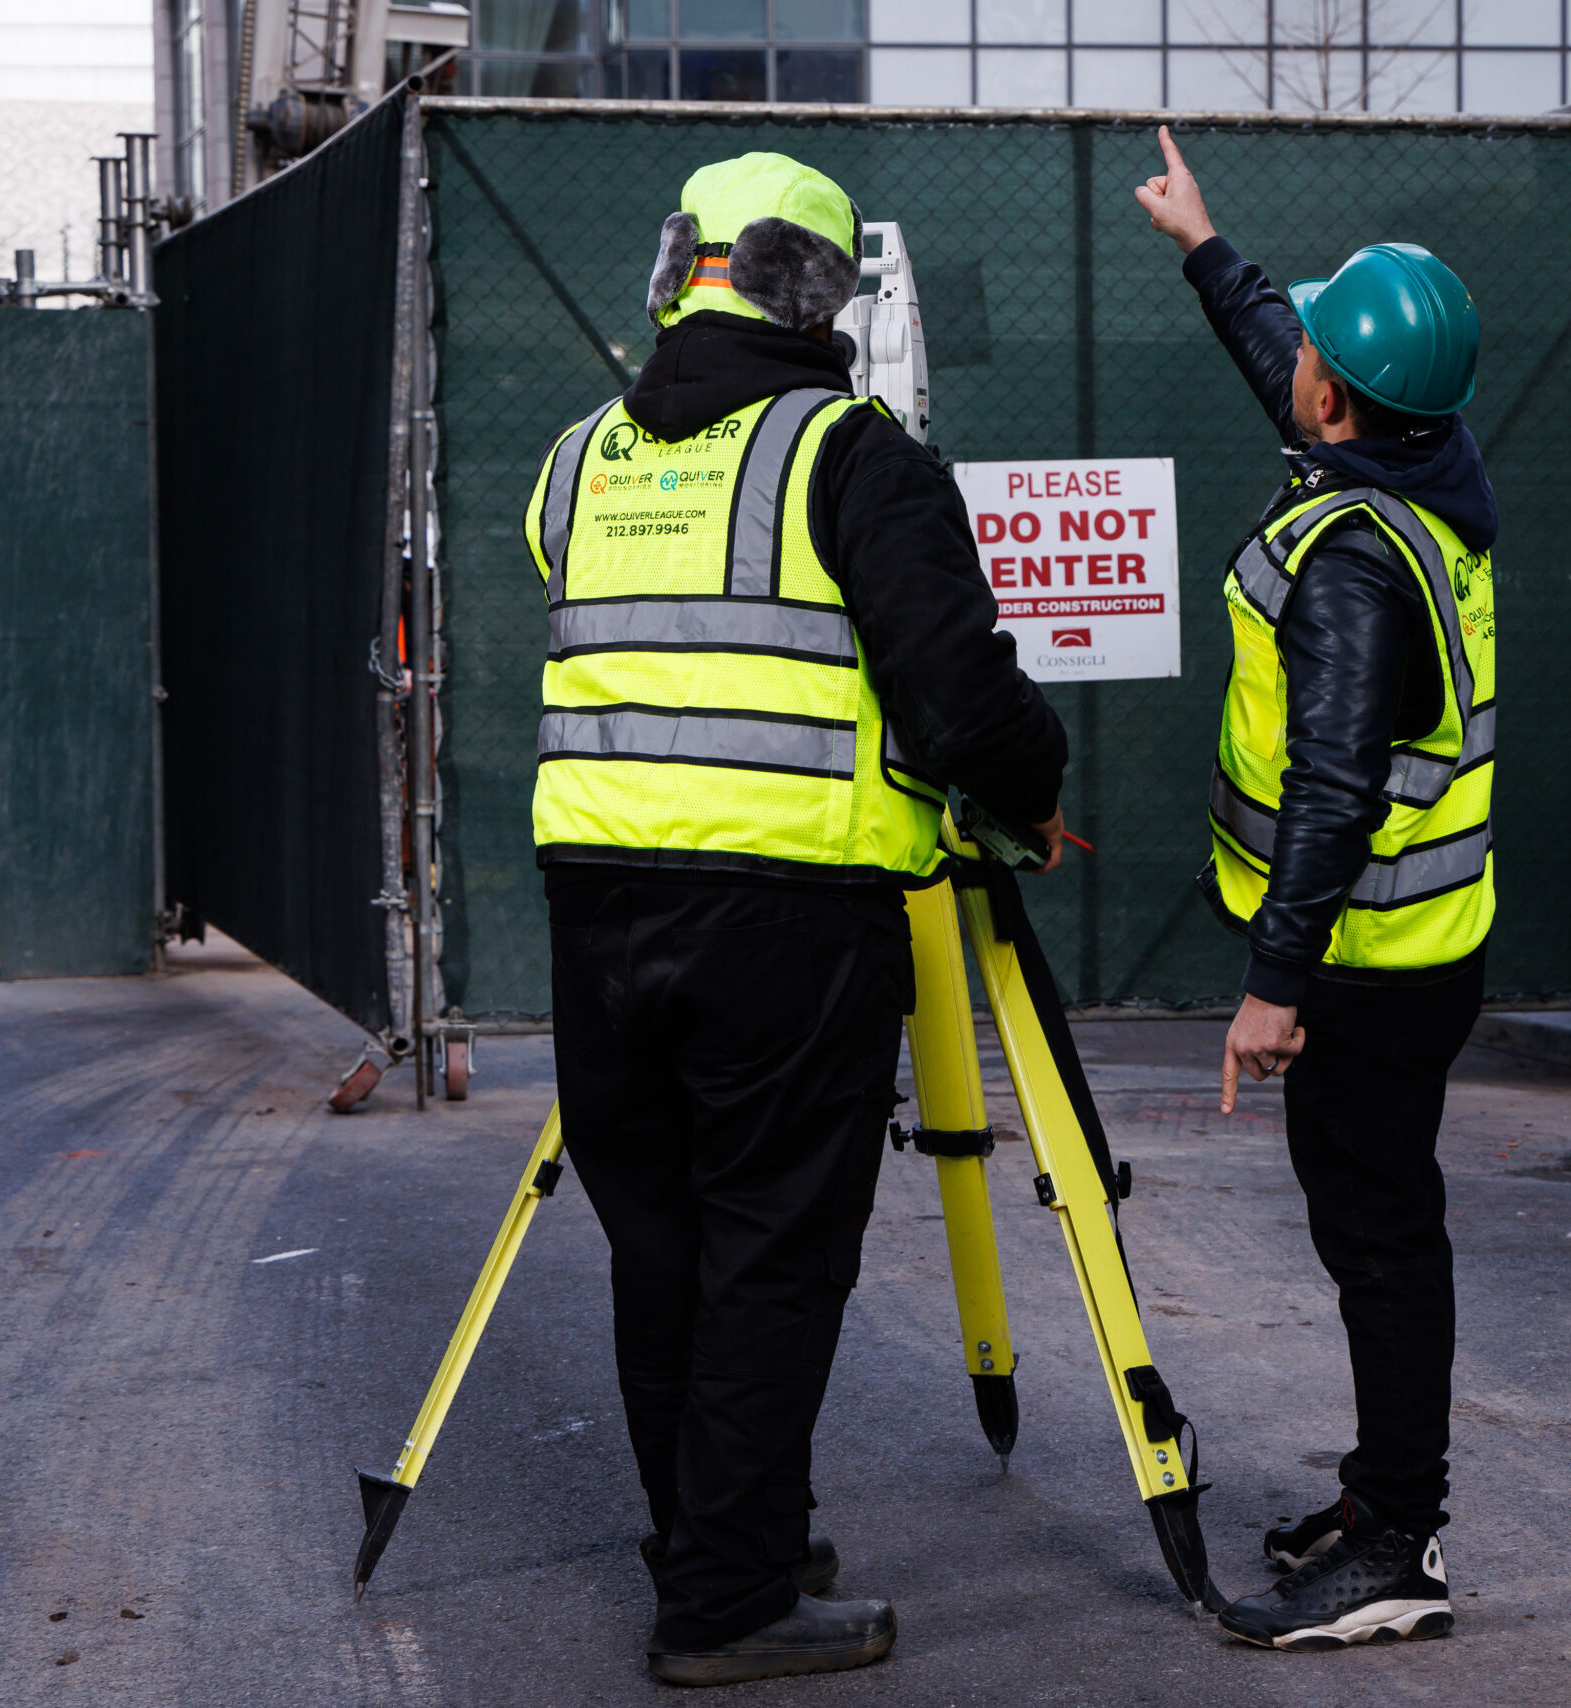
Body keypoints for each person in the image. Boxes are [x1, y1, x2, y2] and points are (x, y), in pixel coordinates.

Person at [523, 152, 1068, 1687]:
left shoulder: (576, 462)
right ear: (823, 291)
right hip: (787, 917)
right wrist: (1034, 785)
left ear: (679, 264)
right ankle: (729, 1602)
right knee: (772, 1252)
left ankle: (711, 1539)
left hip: (597, 906)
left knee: (663, 1246)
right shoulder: (855, 455)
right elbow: (961, 698)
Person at [1134, 128, 1499, 1652]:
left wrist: (1275, 989)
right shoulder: (1419, 458)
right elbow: (1295, 353)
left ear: (1341, 405)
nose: (1299, 364)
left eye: (1321, 357)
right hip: (1418, 945)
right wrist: (1206, 246)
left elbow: (1336, 795)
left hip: (1370, 964)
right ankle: (1381, 1496)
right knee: (1375, 1229)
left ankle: (1399, 1542)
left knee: (1381, 1240)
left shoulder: (1354, 567)